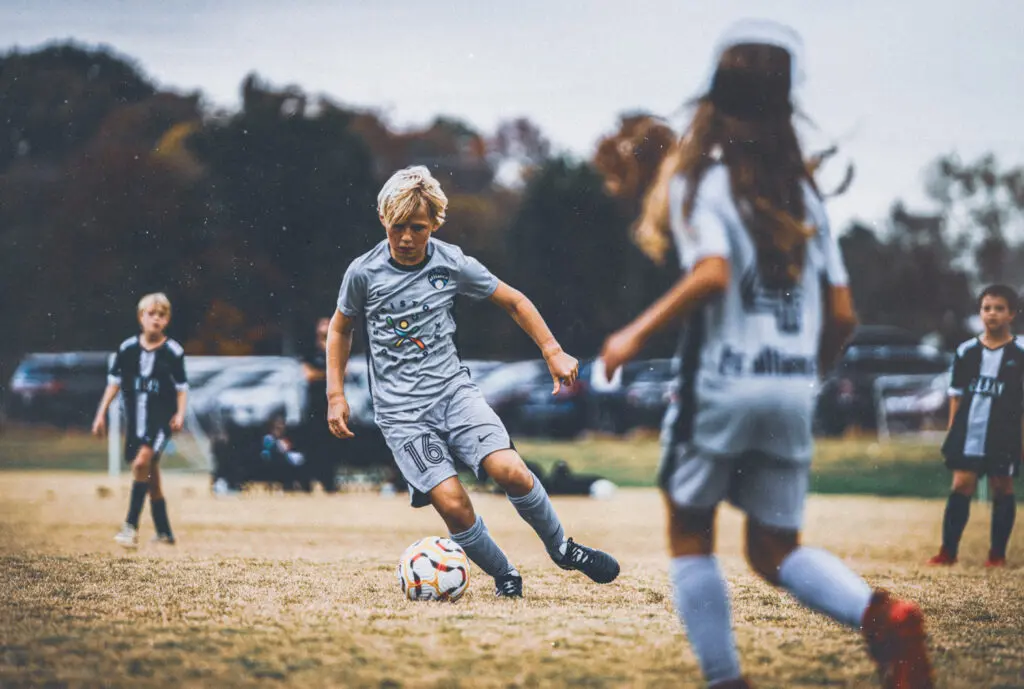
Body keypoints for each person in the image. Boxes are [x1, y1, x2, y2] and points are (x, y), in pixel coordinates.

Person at [599, 20, 933, 689]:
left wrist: (632, 333)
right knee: (773, 547)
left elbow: (713, 273)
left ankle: (725, 679)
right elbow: (842, 315)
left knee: (691, 531)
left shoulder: (703, 184)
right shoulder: (805, 196)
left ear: (714, 102)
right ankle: (883, 616)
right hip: (789, 393)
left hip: (720, 387)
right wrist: (802, 376)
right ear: (784, 108)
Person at [325, 165, 620, 597]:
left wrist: (552, 350)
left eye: (418, 228)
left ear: (436, 225)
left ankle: (562, 549)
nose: (407, 238)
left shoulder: (452, 263)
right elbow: (340, 328)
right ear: (383, 221)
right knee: (452, 502)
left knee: (512, 471)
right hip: (403, 414)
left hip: (454, 395)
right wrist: (335, 394)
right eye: (398, 227)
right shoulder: (363, 273)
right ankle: (505, 575)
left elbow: (514, 301)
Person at [928, 285, 1022, 568]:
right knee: (961, 485)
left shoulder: (1019, 353)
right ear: (980, 312)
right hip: (969, 434)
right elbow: (955, 397)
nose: (992, 314)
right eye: (986, 308)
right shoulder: (966, 351)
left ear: (1011, 314)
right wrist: (953, 432)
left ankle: (997, 555)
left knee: (1002, 487)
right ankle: (948, 551)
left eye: (999, 308)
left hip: (1003, 436)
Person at [92, 292, 188, 548]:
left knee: (140, 464)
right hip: (136, 423)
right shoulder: (127, 349)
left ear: (167, 320)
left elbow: (181, 387)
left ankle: (130, 527)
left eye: (162, 315)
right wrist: (101, 413)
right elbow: (113, 383)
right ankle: (165, 532)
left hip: (160, 423)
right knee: (150, 475)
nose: (156, 319)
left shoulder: (173, 352)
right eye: (151, 314)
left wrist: (179, 413)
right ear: (140, 317)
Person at [300, 317, 340, 493]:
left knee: (331, 445)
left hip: (332, 405)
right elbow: (308, 375)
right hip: (315, 406)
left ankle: (328, 483)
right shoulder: (310, 351)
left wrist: (323, 375)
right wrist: (330, 376)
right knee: (312, 443)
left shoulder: (337, 349)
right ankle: (307, 483)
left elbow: (345, 371)